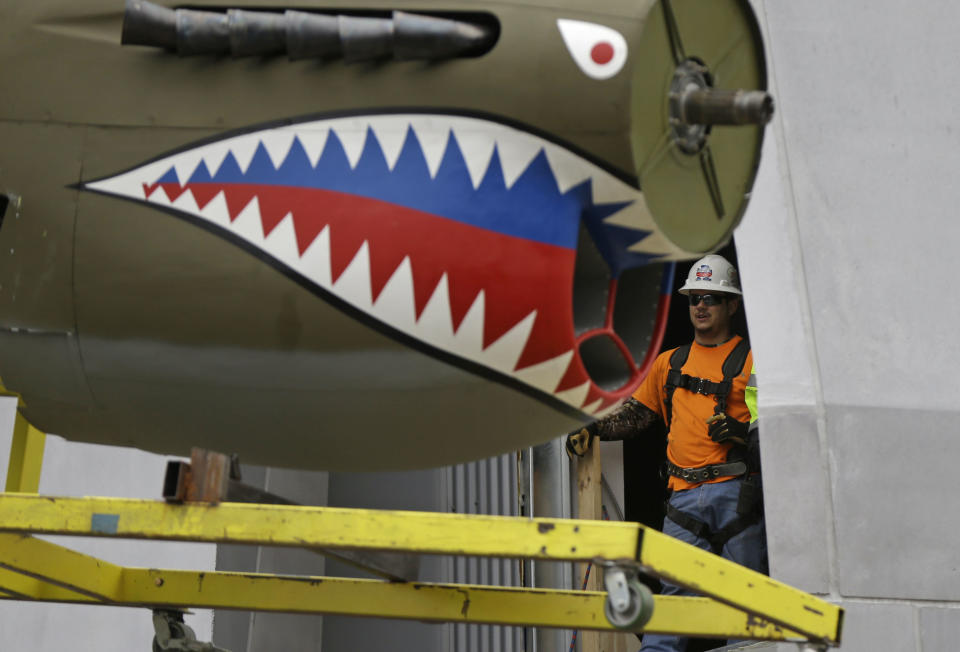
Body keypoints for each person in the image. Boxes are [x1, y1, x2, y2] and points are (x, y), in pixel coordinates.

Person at [566, 254, 765, 652]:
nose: (701, 306)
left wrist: (743, 435)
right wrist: (595, 426)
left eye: (711, 297)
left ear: (732, 305)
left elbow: (775, 433)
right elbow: (638, 417)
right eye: (694, 298)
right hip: (683, 501)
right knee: (669, 612)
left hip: (738, 498)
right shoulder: (669, 364)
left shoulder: (753, 361)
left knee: (749, 613)